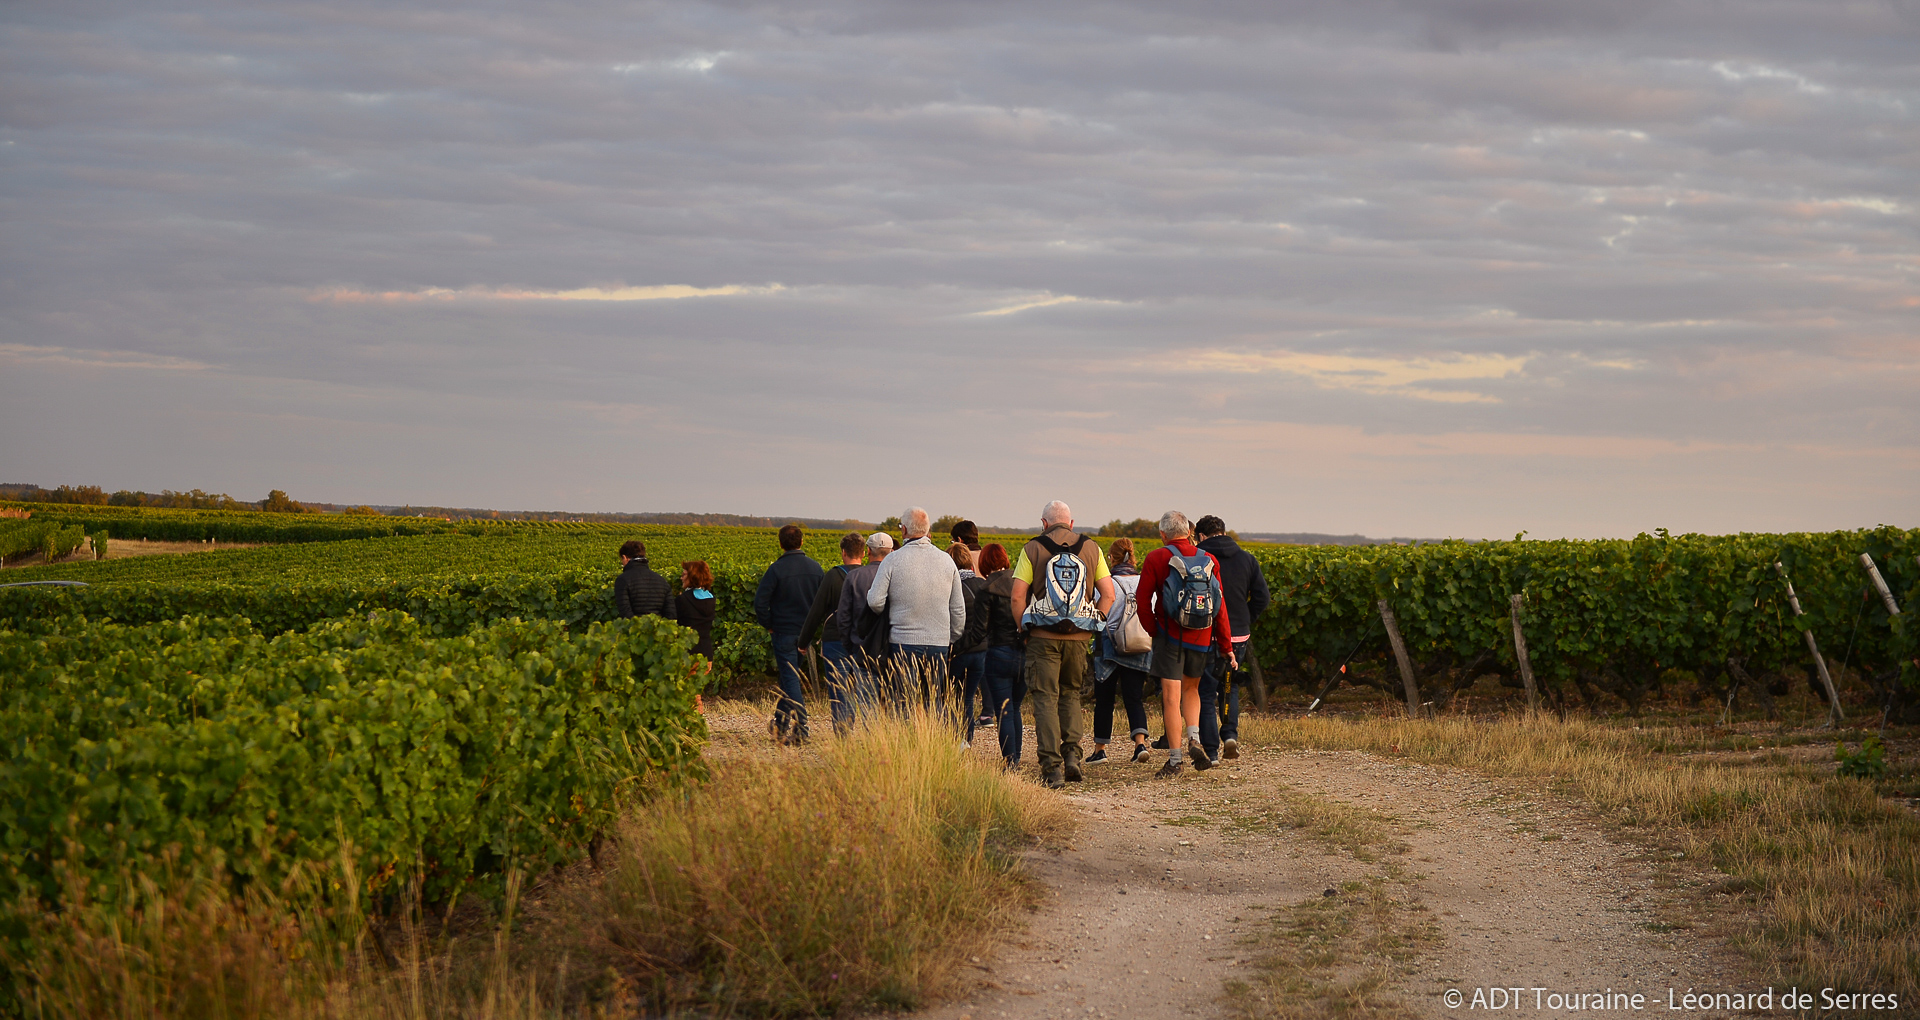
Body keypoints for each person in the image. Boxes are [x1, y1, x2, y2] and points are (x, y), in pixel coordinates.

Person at [1009, 500, 1116, 788]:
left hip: (1042, 636)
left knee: (1045, 697)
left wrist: (1024, 629)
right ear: (1071, 523)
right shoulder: (1091, 549)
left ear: (1044, 523)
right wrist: (1094, 622)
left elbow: (1018, 596)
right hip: (1079, 637)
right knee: (1070, 695)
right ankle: (1072, 758)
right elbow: (1109, 594)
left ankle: (1051, 767)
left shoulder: (1032, 548)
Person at [1136, 511, 1235, 777]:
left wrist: (1153, 630)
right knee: (1192, 690)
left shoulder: (1157, 558)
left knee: (1171, 697)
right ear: (1189, 532)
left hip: (1169, 636)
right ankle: (1194, 738)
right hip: (1201, 637)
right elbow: (1220, 605)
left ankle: (1175, 760)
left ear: (1163, 534)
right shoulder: (1209, 560)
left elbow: (1142, 601)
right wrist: (1226, 645)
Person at [867, 507, 966, 703]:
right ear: (929, 530)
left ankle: (909, 734)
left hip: (903, 641)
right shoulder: (946, 561)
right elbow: (958, 609)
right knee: (934, 701)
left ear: (903, 530)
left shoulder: (892, 560)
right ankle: (934, 734)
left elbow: (875, 601)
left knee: (905, 702)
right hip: (938, 642)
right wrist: (951, 637)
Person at [1195, 515, 1270, 761]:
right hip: (1238, 633)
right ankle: (1230, 736)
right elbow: (1262, 597)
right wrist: (1245, 618)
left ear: (1201, 536)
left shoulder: (1198, 558)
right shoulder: (1247, 559)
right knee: (1230, 686)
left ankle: (1210, 751)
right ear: (1224, 532)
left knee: (1205, 692)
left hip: (1206, 632)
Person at [754, 524, 825, 744]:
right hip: (806, 633)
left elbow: (759, 602)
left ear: (780, 543)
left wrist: (769, 624)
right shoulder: (816, 569)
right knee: (789, 679)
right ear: (802, 542)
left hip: (783, 632)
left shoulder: (775, 570)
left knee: (790, 679)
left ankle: (802, 726)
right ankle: (780, 724)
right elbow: (822, 604)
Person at [1089, 538, 1152, 765]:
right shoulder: (1144, 581)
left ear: (1110, 558)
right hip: (1139, 644)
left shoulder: (1107, 584)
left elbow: (1098, 612)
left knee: (1104, 700)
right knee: (1134, 698)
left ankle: (1100, 750)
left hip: (1109, 646)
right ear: (1133, 556)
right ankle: (1140, 745)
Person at [799, 532, 868, 732]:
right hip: (862, 641)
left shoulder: (833, 576)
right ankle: (855, 725)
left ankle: (843, 733)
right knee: (860, 688)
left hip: (835, 639)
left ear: (843, 552)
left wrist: (804, 641)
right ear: (863, 553)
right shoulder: (869, 576)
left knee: (839, 690)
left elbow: (816, 612)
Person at [976, 542, 1026, 769]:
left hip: (998, 652)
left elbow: (980, 629)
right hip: (1024, 652)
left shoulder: (986, 589)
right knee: (1015, 708)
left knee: (1004, 711)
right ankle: (1017, 756)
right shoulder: (1022, 583)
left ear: (984, 562)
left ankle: (1011, 761)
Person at [837, 531, 895, 694]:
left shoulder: (854, 576)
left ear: (868, 551)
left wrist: (849, 645)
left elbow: (843, 616)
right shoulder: (897, 576)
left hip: (861, 646)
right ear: (891, 552)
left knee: (866, 702)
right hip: (891, 646)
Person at [950, 540, 989, 746]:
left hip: (959, 649)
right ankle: (968, 739)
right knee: (969, 698)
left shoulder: (952, 587)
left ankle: (957, 739)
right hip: (981, 651)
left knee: (953, 697)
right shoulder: (983, 585)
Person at [615, 541, 676, 620]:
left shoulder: (622, 580)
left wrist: (637, 627)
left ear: (625, 558)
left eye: (622, 560)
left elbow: (625, 612)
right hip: (658, 629)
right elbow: (671, 613)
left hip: (633, 630)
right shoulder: (662, 580)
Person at [675, 560, 717, 658]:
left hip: (687, 653)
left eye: (684, 575)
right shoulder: (711, 598)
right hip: (706, 653)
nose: (681, 578)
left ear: (692, 577)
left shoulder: (683, 599)